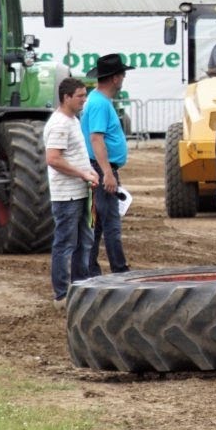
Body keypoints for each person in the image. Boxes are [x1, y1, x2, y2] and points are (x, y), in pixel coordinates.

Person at [43, 77, 99, 310]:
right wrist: (82, 173)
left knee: (84, 242)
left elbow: (72, 156)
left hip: (79, 192)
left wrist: (88, 173)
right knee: (66, 244)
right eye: (80, 96)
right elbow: (53, 159)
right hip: (67, 196)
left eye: (85, 95)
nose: (84, 100)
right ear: (66, 97)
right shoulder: (59, 124)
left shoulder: (73, 120)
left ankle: (80, 289)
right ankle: (62, 295)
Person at [83, 53, 132, 277]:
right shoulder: (100, 104)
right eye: (122, 75)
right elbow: (96, 138)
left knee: (99, 223)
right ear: (115, 78)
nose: (123, 79)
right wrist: (107, 174)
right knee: (110, 222)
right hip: (102, 168)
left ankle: (91, 270)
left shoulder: (97, 100)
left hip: (99, 167)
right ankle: (119, 270)